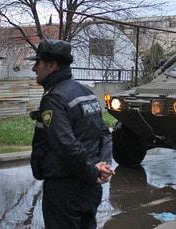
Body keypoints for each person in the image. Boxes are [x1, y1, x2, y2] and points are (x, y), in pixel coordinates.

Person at [28, 39, 114, 229]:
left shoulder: (55, 98)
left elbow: (66, 145)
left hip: (65, 189)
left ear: (52, 66)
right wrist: (103, 168)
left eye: (38, 62)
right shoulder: (86, 92)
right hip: (90, 187)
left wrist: (94, 172)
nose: (34, 68)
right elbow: (105, 135)